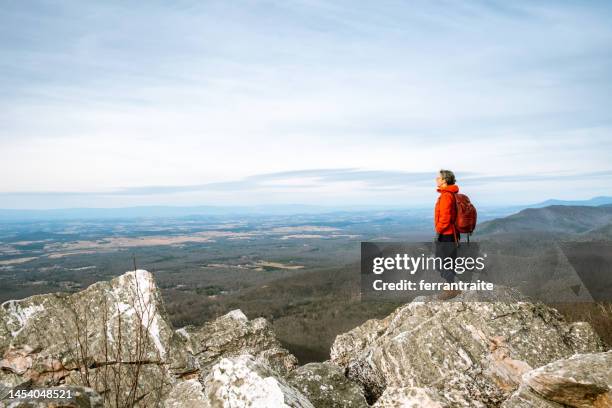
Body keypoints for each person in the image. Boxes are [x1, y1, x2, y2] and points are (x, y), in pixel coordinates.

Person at [434, 169, 461, 300]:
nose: (436, 179)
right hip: (453, 234)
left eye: (438, 178)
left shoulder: (446, 195)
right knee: (448, 261)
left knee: (444, 262)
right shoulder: (451, 194)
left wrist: (438, 230)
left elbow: (445, 218)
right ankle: (451, 286)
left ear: (444, 180)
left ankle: (451, 289)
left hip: (447, 234)